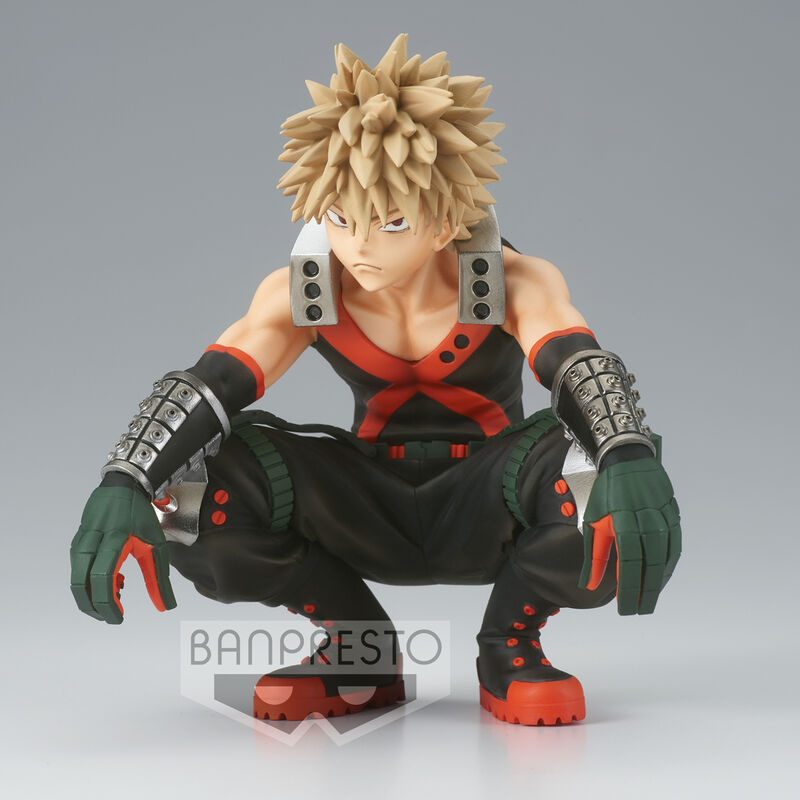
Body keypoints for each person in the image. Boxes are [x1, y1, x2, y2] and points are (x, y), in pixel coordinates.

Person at [70, 34, 680, 726]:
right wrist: (126, 477)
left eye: (390, 222)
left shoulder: (512, 281)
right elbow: (216, 381)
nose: (359, 245)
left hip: (492, 498)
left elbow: (573, 359)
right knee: (190, 489)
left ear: (445, 221)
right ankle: (357, 647)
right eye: (339, 219)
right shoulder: (308, 291)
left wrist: (626, 450)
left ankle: (508, 646)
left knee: (598, 472)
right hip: (366, 498)